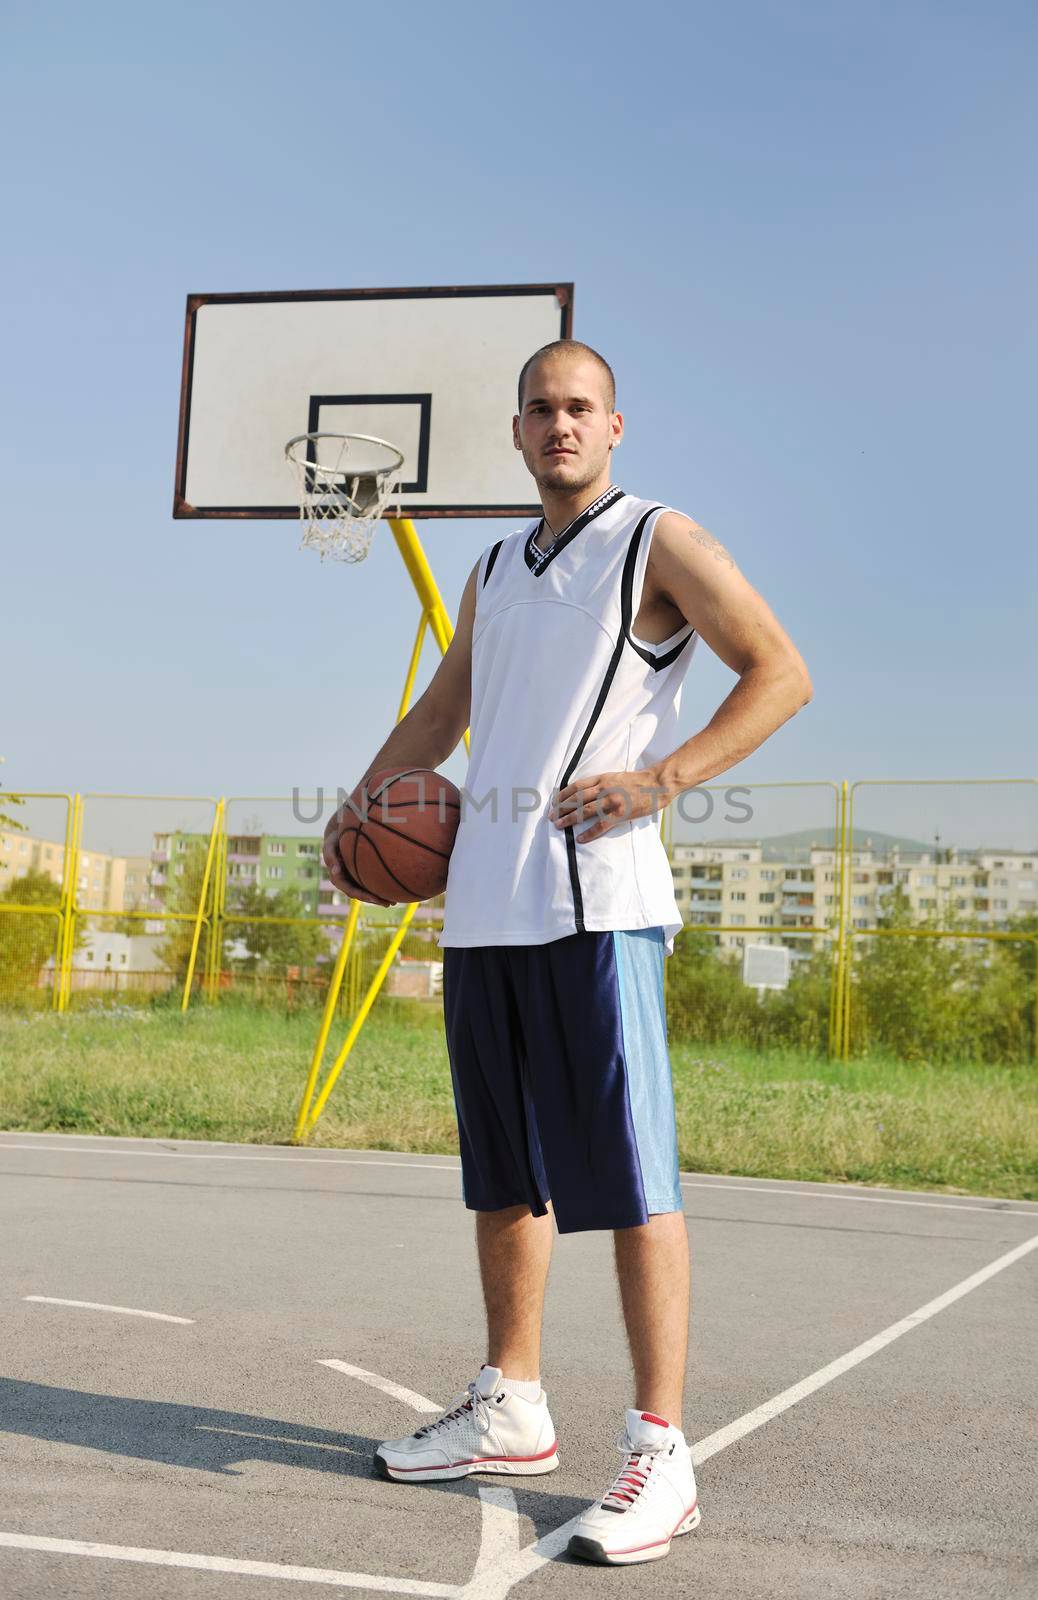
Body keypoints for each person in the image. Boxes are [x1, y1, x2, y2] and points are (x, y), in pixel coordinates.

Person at [322, 338, 812, 1566]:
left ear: (615, 425)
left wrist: (664, 778)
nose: (560, 425)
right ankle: (514, 1402)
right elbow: (445, 713)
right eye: (540, 408)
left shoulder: (660, 541)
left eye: (580, 408)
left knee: (634, 1179)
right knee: (506, 1173)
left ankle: (662, 1450)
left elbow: (782, 671)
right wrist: (362, 802)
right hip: (485, 907)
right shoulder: (495, 565)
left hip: (598, 904)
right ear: (518, 427)